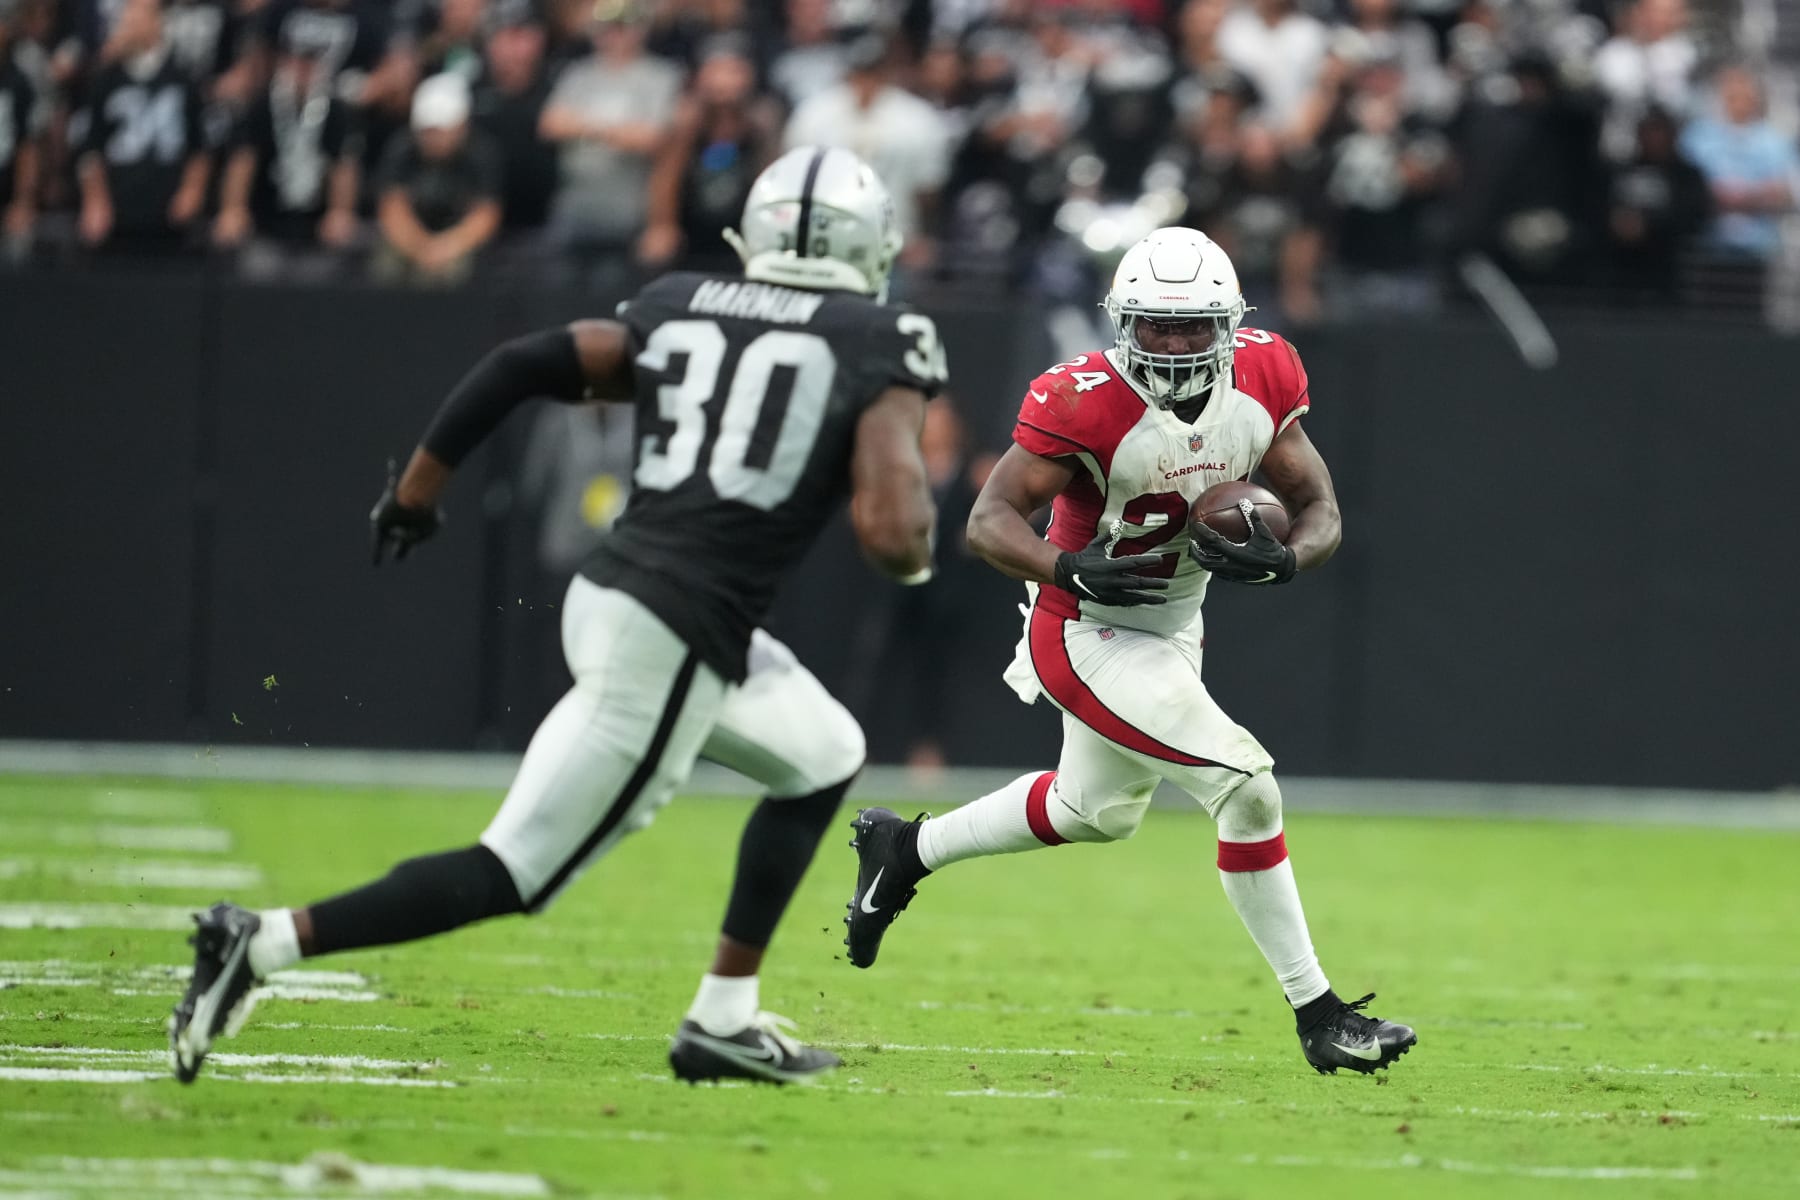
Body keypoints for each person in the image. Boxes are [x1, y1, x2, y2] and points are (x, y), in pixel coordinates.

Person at [169, 145, 947, 1087]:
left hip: (624, 593)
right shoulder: (880, 338)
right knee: (517, 872)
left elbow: (522, 361)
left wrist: (417, 492)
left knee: (823, 751)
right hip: (678, 630)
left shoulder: (680, 305)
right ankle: (260, 947)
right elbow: (895, 536)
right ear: (867, 247)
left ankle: (723, 1018)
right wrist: (914, 534)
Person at [843, 226, 1417, 1077]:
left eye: (1193, 328)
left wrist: (1292, 555)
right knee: (1245, 786)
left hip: (1172, 625)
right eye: (1157, 326)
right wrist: (1067, 564)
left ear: (1229, 324)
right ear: (1123, 325)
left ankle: (904, 851)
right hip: (1082, 627)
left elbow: (1322, 507)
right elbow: (987, 520)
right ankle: (1319, 1013)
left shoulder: (1265, 372)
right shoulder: (1082, 397)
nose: (1177, 345)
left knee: (1093, 811)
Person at [75, 0, 210, 255]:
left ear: (157, 22)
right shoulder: (105, 79)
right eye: (127, 17)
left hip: (168, 211)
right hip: (118, 209)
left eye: (138, 15)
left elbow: (199, 146)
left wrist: (192, 190)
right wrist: (95, 200)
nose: (130, 23)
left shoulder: (183, 77)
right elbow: (90, 148)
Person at [371, 71, 502, 285]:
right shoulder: (402, 148)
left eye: (441, 130)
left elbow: (485, 215)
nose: (434, 138)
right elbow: (392, 207)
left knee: (454, 271)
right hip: (414, 234)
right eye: (427, 131)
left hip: (458, 237)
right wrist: (420, 246)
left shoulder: (481, 153)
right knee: (386, 264)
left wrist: (449, 246)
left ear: (461, 126)